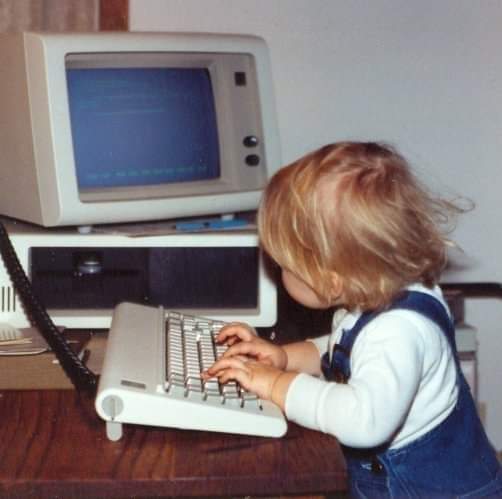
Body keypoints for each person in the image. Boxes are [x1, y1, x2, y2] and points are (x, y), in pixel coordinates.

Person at [203, 142, 502, 498]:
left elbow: (364, 422)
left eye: (284, 266)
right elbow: (346, 348)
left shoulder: (397, 331)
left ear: (331, 280)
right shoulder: (387, 293)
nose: (279, 272)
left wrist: (276, 385)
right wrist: (285, 357)